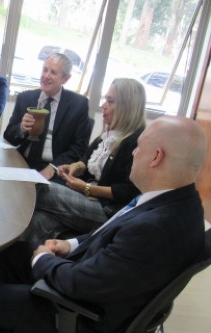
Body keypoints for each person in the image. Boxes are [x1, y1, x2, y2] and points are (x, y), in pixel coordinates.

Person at [0, 115, 208, 333]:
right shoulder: (179, 204)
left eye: (139, 146)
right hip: (101, 283)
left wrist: (43, 259)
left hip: (81, 318)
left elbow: (80, 284)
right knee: (13, 254)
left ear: (156, 157)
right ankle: (7, 324)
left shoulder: (154, 230)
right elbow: (112, 233)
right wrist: (71, 245)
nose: (133, 153)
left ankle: (7, 320)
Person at [26, 78, 146, 245]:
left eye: (110, 101)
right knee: (38, 221)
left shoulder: (136, 142)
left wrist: (87, 188)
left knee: (39, 188)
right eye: (105, 99)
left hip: (108, 212)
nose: (103, 105)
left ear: (128, 107)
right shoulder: (109, 134)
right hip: (89, 199)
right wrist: (76, 166)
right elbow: (86, 159)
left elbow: (128, 191)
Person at [3, 53, 91, 181]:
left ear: (65, 79)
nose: (46, 76)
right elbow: (8, 137)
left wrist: (54, 167)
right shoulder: (25, 98)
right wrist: (21, 128)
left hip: (55, 169)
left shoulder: (78, 105)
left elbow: (79, 148)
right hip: (22, 162)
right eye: (45, 70)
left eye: (53, 72)